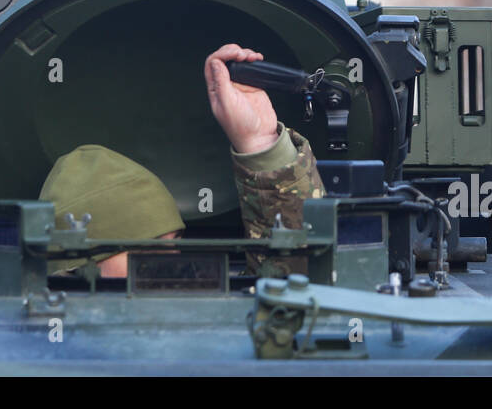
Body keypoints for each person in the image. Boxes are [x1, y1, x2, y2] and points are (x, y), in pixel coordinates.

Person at [39, 43, 325, 278]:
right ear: (74, 264)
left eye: (174, 243)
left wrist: (260, 140)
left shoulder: (194, 309)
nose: (174, 263)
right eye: (148, 248)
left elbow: (297, 282)